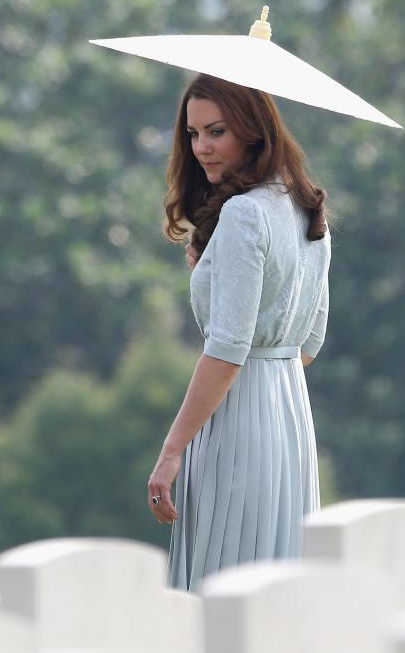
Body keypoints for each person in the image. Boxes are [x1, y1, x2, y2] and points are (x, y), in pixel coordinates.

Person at [146, 73, 331, 592]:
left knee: (221, 591)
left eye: (217, 131)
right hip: (289, 421)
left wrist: (171, 451)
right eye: (193, 133)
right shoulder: (306, 209)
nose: (201, 147)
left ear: (253, 130)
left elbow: (227, 353)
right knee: (277, 592)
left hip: (238, 423)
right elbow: (306, 346)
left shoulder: (244, 215)